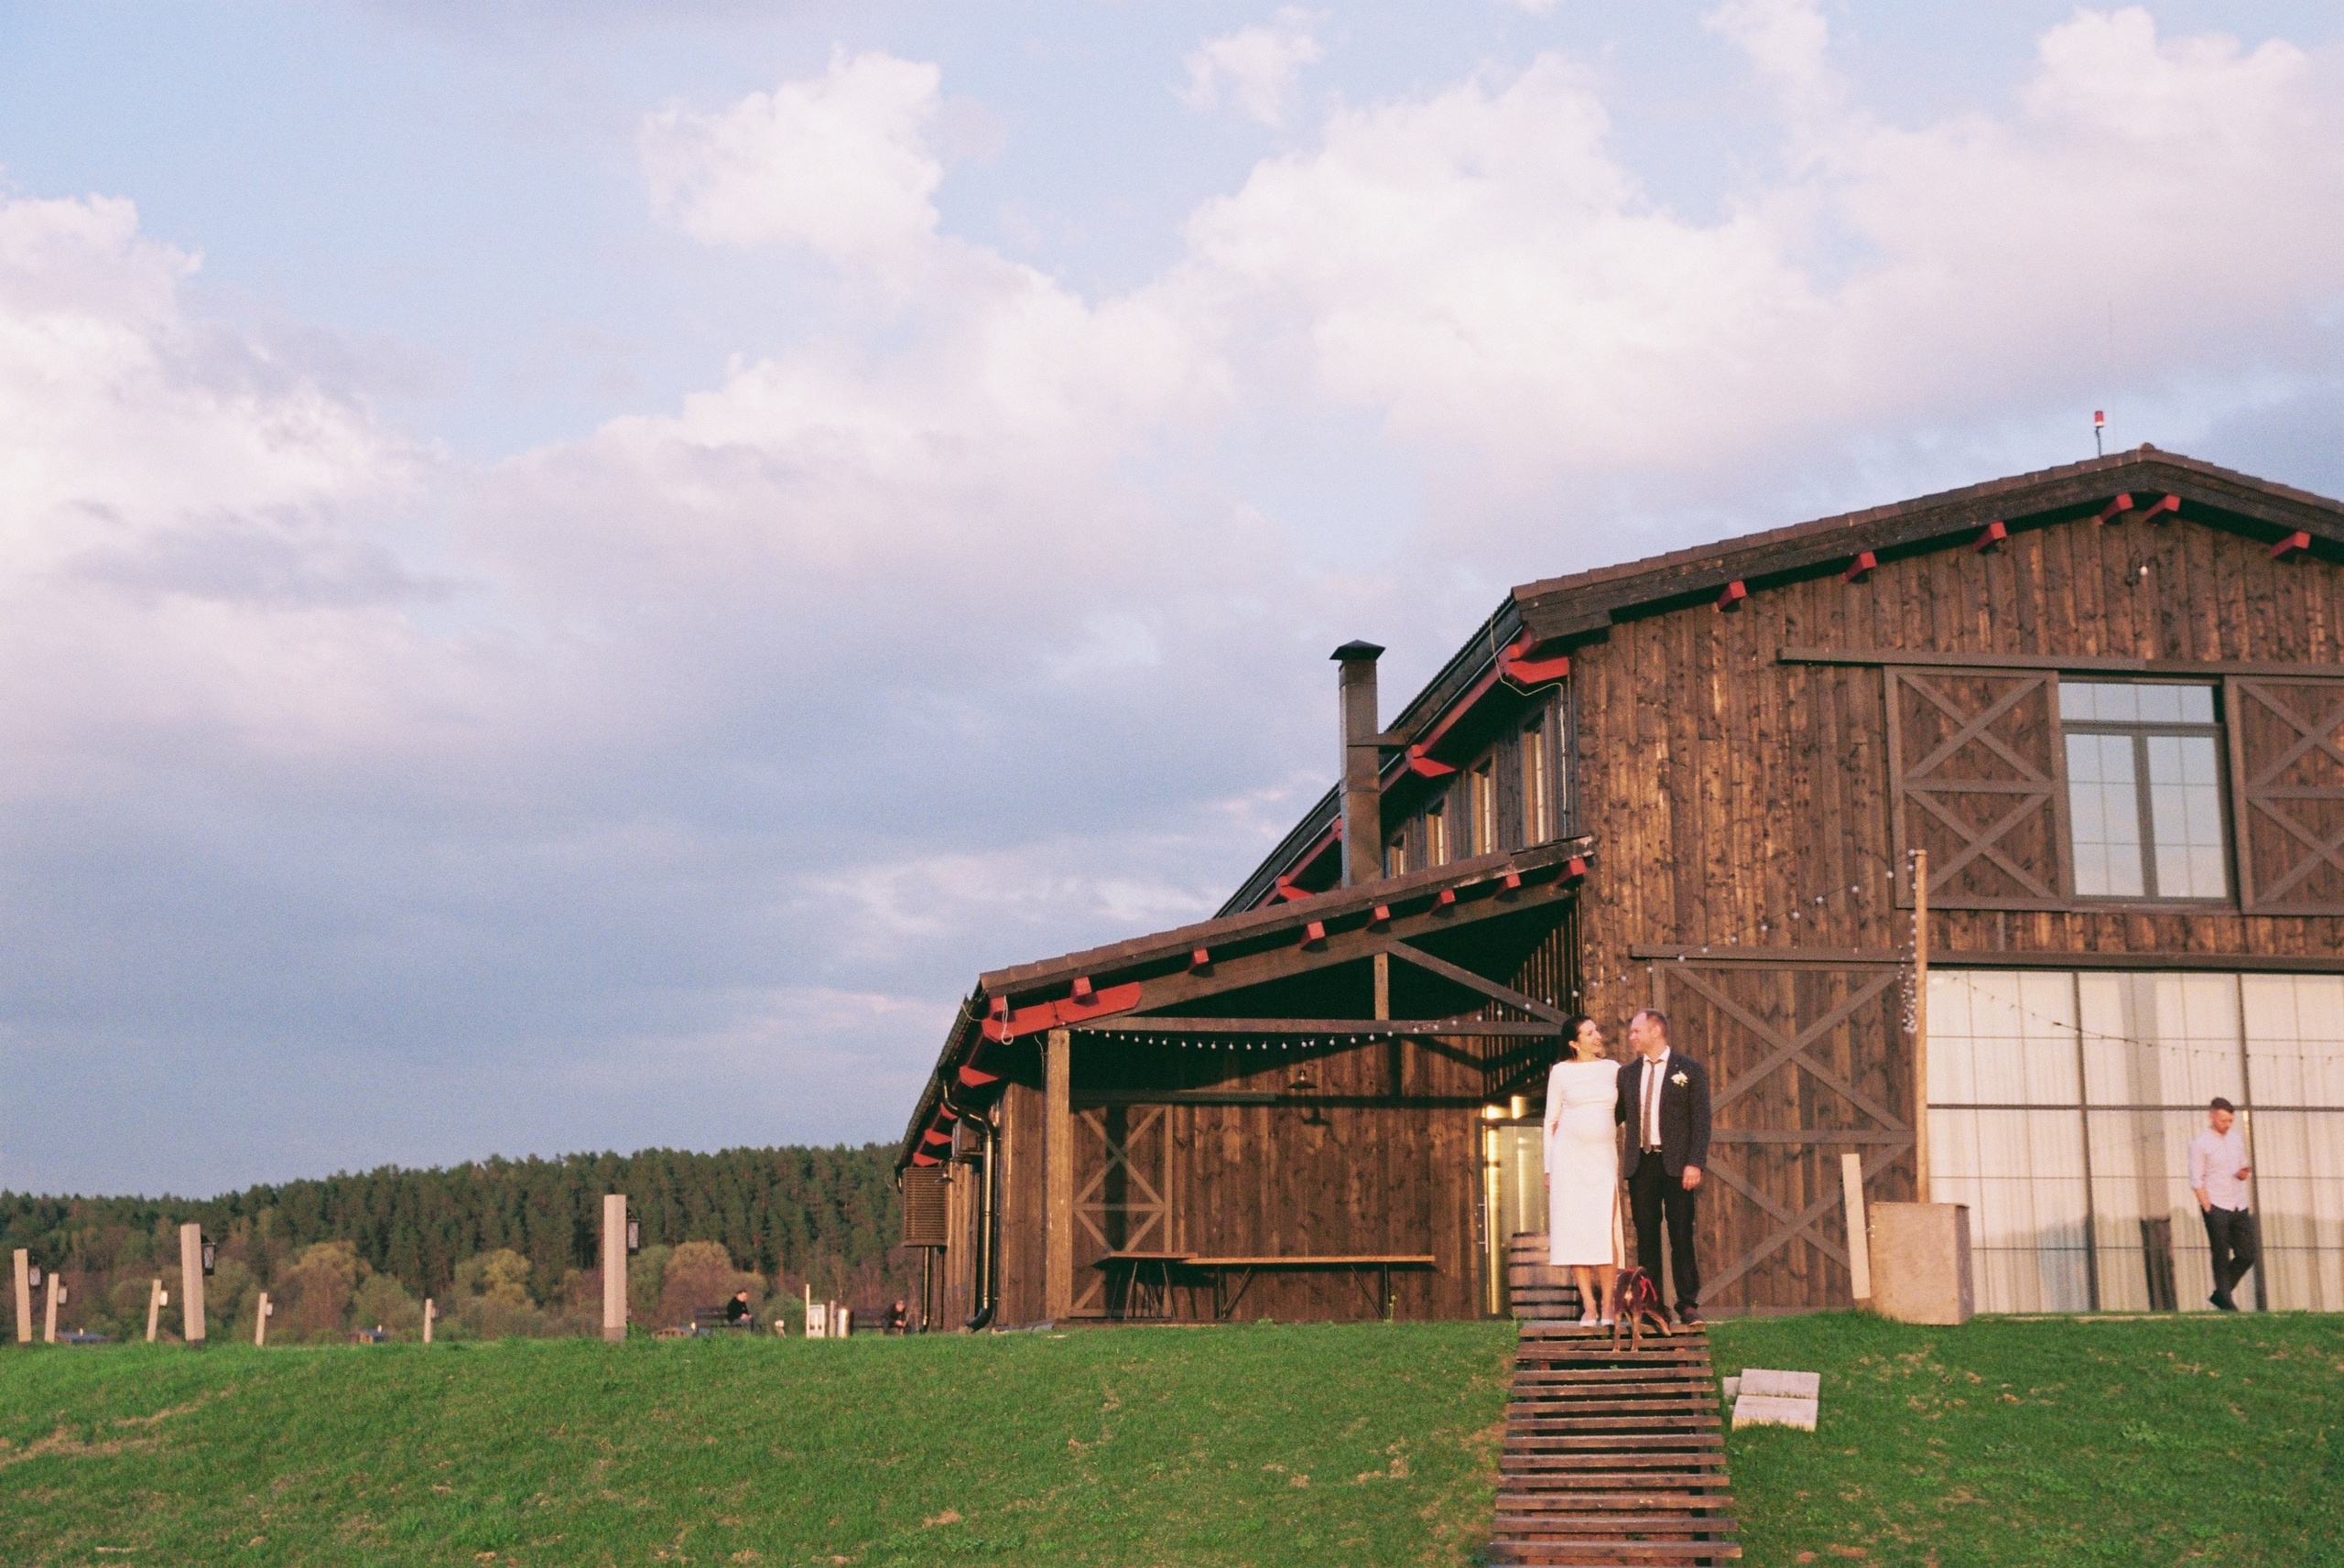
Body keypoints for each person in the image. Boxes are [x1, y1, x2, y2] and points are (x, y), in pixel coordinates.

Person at [1615, 1009, 1712, 1325]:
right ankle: (1652, 1303)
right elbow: (1614, 1115)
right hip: (1641, 1163)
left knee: (1681, 1232)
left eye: (1636, 1031)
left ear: (1656, 1031)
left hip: (1676, 1164)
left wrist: (1695, 1162)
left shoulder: (1689, 1069)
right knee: (1646, 1235)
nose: (1631, 1037)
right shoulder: (1627, 1074)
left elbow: (1701, 1120)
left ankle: (1687, 1302)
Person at [1544, 1014, 1622, 1325]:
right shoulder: (1561, 1072)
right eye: (1589, 1033)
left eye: (1597, 1031)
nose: (1597, 1036)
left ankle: (1608, 1305)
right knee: (1575, 1229)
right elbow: (1550, 1120)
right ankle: (1589, 1306)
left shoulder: (1613, 1069)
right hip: (1569, 1159)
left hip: (1603, 1158)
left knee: (1604, 1228)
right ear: (1574, 1043)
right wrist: (1548, 1168)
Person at [2189, 1097, 2256, 1312]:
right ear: (2212, 1116)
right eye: (2223, 1120)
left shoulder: (2236, 1140)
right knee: (2220, 1253)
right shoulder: (2200, 1144)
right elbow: (2196, 1179)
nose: (2227, 1125)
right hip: (2216, 1204)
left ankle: (2220, 1295)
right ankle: (2227, 1301)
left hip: (2238, 1203)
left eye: (2230, 1121)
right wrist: (2207, 1207)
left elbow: (2242, 1167)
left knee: (2247, 1254)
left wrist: (2243, 1172)